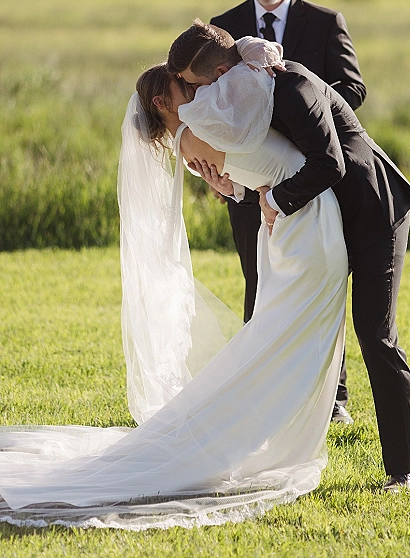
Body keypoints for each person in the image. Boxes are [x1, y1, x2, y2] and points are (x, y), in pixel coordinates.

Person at [0, 55, 349, 529]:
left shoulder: (195, 137)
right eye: (187, 87)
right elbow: (263, 146)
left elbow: (254, 170)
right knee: (285, 340)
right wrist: (254, 57)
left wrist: (243, 188)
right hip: (304, 228)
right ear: (164, 102)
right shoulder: (204, 129)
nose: (201, 91)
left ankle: (260, 430)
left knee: (280, 338)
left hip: (292, 225)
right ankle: (250, 435)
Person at [174, 25, 410, 491]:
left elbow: (331, 162)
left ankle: (404, 469)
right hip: (321, 225)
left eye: (196, 86)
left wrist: (272, 203)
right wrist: (235, 190)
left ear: (222, 74)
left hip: (372, 212)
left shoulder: (293, 85)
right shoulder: (246, 94)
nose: (195, 97)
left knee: (375, 334)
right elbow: (278, 168)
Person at [172, 0, 365, 424]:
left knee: (320, 278)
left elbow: (351, 90)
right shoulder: (225, 26)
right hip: (248, 179)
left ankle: (334, 396)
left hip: (312, 170)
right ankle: (262, 387)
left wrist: (294, 113)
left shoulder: (323, 22)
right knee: (258, 281)